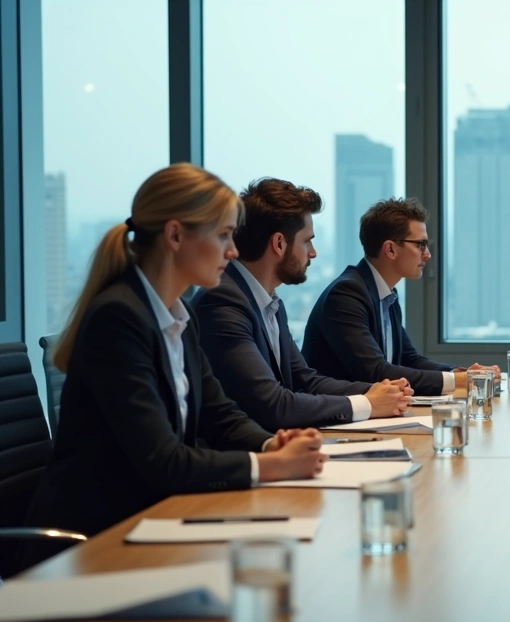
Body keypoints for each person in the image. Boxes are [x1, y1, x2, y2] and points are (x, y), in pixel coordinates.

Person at [24, 164, 326, 557]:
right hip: (93, 543)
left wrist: (272, 444)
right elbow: (163, 461)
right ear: (175, 235)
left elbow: (221, 417)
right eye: (222, 236)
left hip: (154, 521)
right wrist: (272, 467)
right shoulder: (118, 318)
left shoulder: (179, 317)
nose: (233, 251)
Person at [193, 178, 411, 429]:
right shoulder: (222, 303)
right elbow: (273, 405)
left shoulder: (270, 303)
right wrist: (367, 403)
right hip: (246, 456)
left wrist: (379, 391)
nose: (313, 252)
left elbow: (305, 380)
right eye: (307, 241)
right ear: (279, 244)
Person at [302, 197, 494, 395]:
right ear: (390, 249)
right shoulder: (346, 295)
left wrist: (459, 374)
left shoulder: (386, 294)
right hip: (336, 420)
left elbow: (409, 359)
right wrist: (458, 380)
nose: (427, 254)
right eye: (420, 244)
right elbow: (376, 372)